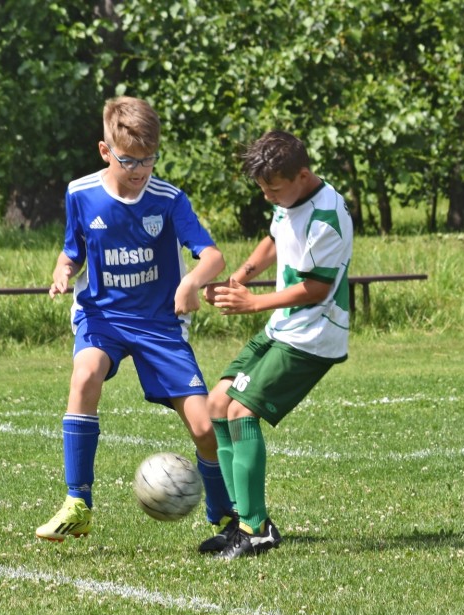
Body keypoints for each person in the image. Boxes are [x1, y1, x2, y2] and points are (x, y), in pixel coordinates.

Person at [36, 96, 235, 547]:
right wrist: (63, 271)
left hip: (159, 323)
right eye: (129, 160)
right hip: (102, 316)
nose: (140, 169)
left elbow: (212, 256)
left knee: (204, 428)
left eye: (148, 159)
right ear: (105, 151)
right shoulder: (80, 193)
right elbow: (72, 249)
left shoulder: (168, 200)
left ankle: (224, 514)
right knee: (85, 374)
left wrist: (192, 282)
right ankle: (77, 503)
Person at [203, 130, 354, 559]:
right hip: (283, 327)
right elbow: (274, 239)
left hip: (312, 335)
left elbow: (317, 288)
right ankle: (243, 518)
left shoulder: (326, 217)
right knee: (218, 404)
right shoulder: (288, 200)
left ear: (302, 175)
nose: (268, 197)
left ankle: (255, 531)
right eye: (263, 189)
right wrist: (238, 279)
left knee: (241, 411)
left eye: (274, 189)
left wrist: (252, 302)